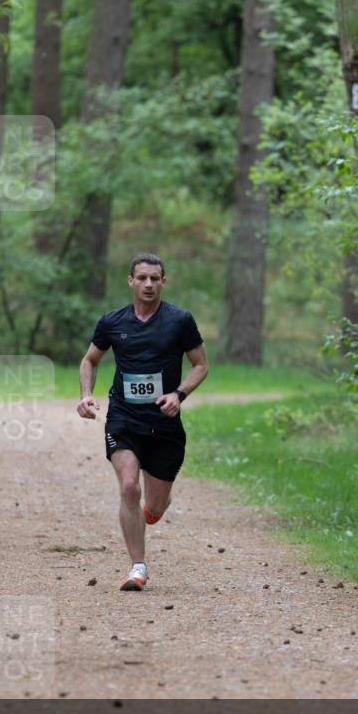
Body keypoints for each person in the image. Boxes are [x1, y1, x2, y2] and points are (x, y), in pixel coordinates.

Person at [77, 253, 209, 591]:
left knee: (155, 505)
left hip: (164, 424)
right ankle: (138, 567)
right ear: (131, 281)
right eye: (142, 278)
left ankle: (151, 511)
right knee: (128, 487)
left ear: (164, 282)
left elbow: (200, 365)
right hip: (124, 417)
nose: (148, 284)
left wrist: (178, 394)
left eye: (155, 278)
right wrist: (87, 394)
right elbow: (90, 360)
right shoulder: (113, 322)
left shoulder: (180, 321)